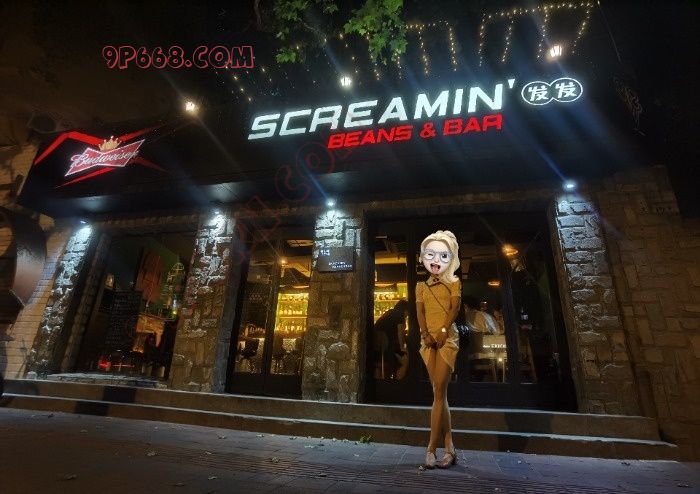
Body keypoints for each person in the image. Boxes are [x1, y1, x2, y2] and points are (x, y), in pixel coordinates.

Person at [416, 230, 461, 469]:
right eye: (430, 254)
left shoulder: (454, 282)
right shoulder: (421, 286)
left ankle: (431, 449)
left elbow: (455, 308)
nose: (435, 260)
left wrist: (443, 330)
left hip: (447, 339)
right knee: (438, 393)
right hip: (428, 341)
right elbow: (420, 312)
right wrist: (425, 334)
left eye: (443, 255)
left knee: (439, 392)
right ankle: (449, 447)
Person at [373, 300, 409, 379]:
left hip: (377, 346)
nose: (407, 316)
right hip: (386, 345)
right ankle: (397, 381)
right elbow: (400, 332)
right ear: (405, 310)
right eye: (407, 313)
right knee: (405, 360)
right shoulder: (399, 314)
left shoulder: (390, 312)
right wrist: (402, 347)